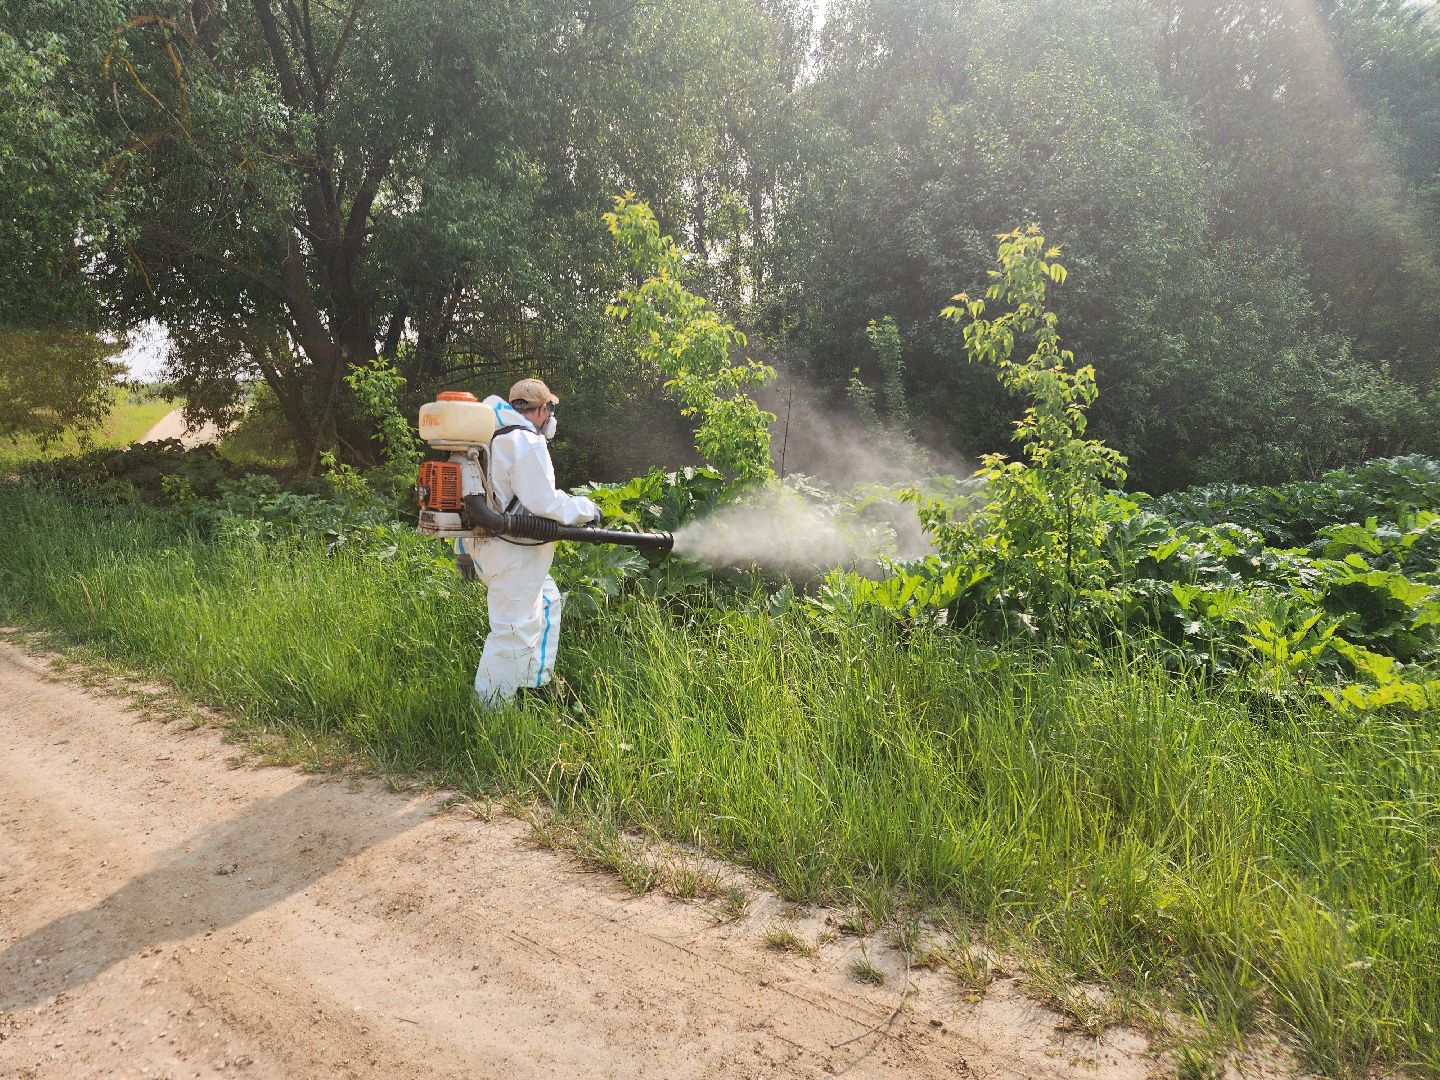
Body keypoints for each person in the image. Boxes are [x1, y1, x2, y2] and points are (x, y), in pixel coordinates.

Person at [460, 378, 599, 705]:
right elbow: (544, 503)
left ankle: (533, 684)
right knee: (512, 633)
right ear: (540, 409)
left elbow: (469, 500)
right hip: (512, 550)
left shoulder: (487, 436)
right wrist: (587, 509)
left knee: (547, 600)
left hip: (486, 547)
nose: (550, 417)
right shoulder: (525, 441)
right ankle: (490, 714)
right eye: (549, 409)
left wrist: (462, 553)